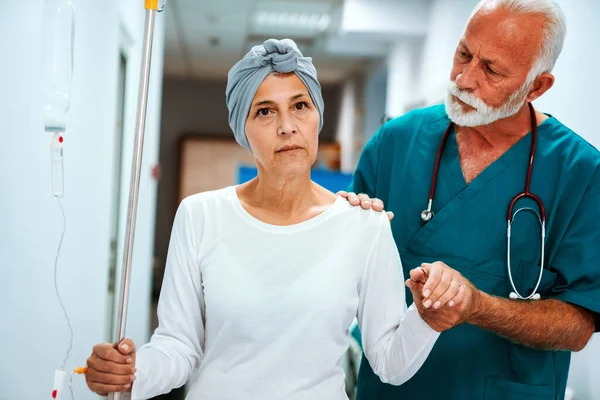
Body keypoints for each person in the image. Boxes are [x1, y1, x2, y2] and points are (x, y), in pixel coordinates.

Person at [83, 39, 465, 400]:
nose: (287, 126)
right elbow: (179, 347)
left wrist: (427, 319)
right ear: (242, 130)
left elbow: (389, 362)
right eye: (265, 111)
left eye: (300, 106)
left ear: (317, 116)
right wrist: (133, 371)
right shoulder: (200, 216)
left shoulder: (364, 225)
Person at [342, 0, 600, 399]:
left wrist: (477, 306)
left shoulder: (580, 172)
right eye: (463, 54)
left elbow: (579, 324)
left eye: (491, 70)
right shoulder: (396, 142)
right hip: (392, 388)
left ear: (537, 86)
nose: (463, 78)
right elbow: (349, 272)